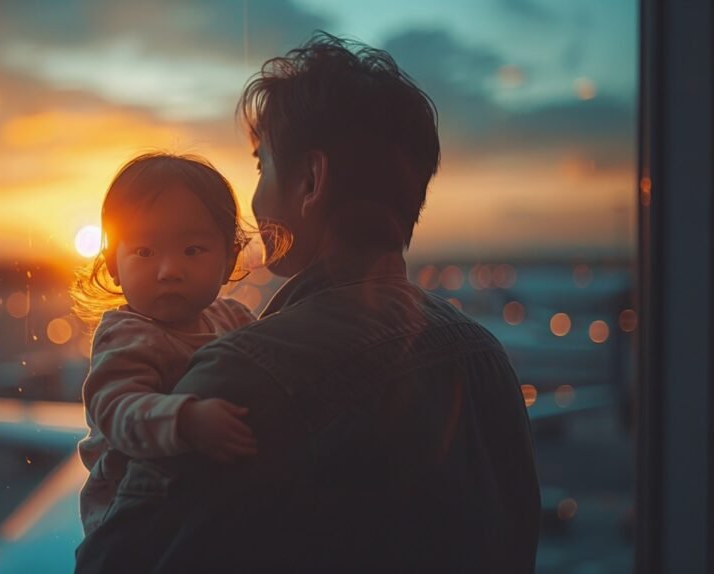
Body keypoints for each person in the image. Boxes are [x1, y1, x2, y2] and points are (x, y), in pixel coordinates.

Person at [76, 32, 540, 573]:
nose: (253, 198)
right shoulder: (483, 357)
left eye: (260, 167)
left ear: (311, 180)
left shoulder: (241, 375)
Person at [72, 152, 262, 536]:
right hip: (135, 532)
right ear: (112, 263)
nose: (169, 270)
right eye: (144, 252)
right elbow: (116, 408)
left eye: (192, 250)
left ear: (228, 259)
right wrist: (186, 421)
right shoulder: (126, 334)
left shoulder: (234, 319)